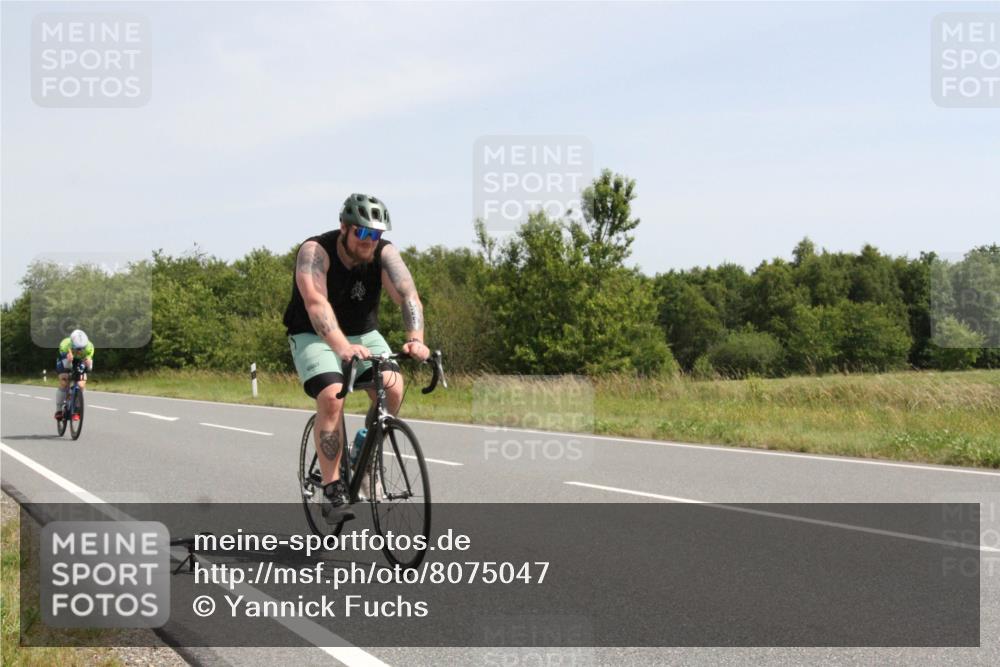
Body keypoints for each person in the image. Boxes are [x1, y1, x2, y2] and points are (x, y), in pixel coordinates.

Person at [283, 193, 430, 520]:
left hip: (363, 333)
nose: (369, 241)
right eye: (362, 233)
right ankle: (333, 490)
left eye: (376, 235)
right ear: (344, 228)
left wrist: (415, 339)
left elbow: (408, 296)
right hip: (312, 333)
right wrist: (341, 347)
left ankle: (363, 453)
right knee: (333, 396)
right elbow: (316, 304)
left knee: (392, 386)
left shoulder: (384, 254)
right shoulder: (315, 252)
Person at [54, 329, 94, 420]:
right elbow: (67, 365)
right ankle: (59, 410)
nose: (80, 350)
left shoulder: (89, 347)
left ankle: (76, 408)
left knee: (81, 385)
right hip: (65, 359)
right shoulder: (64, 345)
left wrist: (88, 365)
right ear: (72, 344)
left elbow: (89, 368)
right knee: (64, 380)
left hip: (80, 360)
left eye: (82, 348)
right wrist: (69, 360)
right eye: (77, 348)